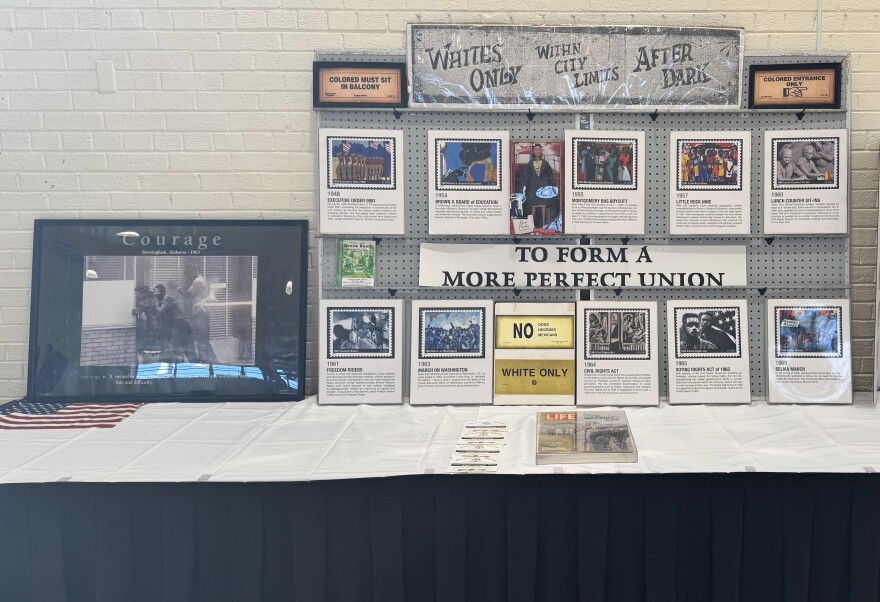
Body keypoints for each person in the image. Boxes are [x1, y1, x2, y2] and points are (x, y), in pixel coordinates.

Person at [177, 261, 217, 363]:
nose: (187, 277)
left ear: (194, 271)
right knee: (203, 339)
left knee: (201, 339)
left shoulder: (197, 281)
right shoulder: (204, 279)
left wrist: (176, 287)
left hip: (200, 313)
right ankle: (210, 361)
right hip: (205, 311)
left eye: (188, 274)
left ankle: (207, 361)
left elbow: (187, 294)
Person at [154, 283, 195, 362]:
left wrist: (156, 302)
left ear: (162, 293)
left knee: (189, 351)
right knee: (175, 351)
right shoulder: (163, 301)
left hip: (182, 327)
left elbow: (160, 311)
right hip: (176, 328)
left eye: (157, 295)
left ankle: (198, 370)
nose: (155, 297)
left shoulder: (167, 299)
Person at [520, 143, 556, 224]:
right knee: (533, 205)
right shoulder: (530, 164)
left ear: (541, 151)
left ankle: (543, 223)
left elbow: (550, 175)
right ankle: (532, 224)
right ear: (533, 151)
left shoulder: (545, 163)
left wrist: (551, 186)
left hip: (543, 186)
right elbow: (526, 175)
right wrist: (525, 185)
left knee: (543, 205)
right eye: (535, 149)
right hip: (532, 187)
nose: (537, 151)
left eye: (539, 149)